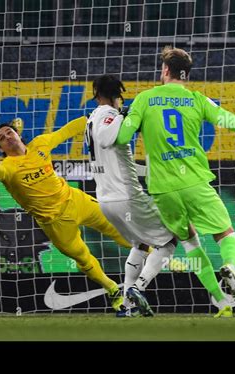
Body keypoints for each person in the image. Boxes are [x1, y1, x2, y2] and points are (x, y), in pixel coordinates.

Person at [116, 46, 235, 317]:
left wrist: (125, 117)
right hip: (194, 182)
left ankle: (222, 303)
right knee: (225, 234)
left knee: (190, 243)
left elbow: (123, 139)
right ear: (186, 74)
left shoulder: (145, 99)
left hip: (162, 189)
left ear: (166, 70)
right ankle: (229, 266)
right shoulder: (198, 100)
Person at [0, 116, 132, 312]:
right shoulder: (7, 168)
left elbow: (66, 132)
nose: (7, 137)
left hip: (76, 200)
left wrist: (96, 117)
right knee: (83, 259)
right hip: (56, 224)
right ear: (0, 149)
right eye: (2, 138)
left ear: (18, 134)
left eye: (9, 132)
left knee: (120, 229)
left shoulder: (40, 144)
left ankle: (153, 256)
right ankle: (112, 289)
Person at [85, 74, 177, 317]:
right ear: (116, 95)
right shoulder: (110, 115)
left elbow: (118, 160)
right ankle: (139, 287)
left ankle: (127, 305)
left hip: (106, 200)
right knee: (170, 239)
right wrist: (124, 114)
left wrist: (153, 171)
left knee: (140, 243)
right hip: (126, 196)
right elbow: (106, 139)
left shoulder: (91, 119)